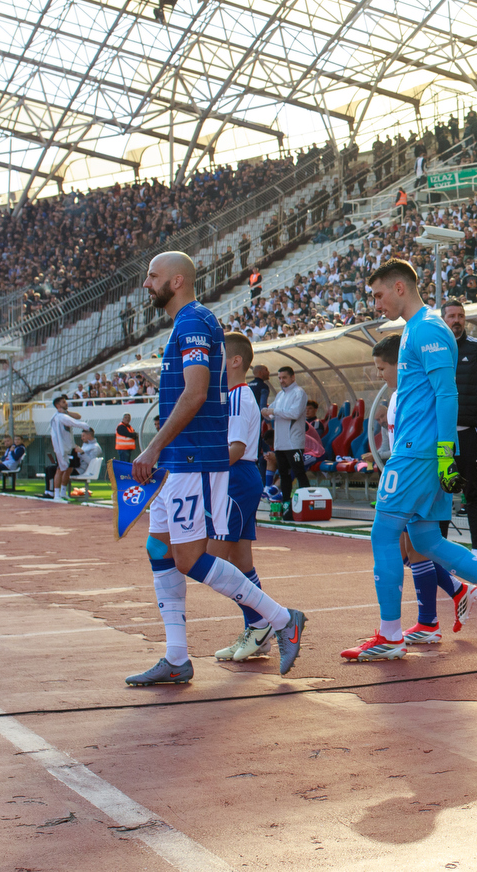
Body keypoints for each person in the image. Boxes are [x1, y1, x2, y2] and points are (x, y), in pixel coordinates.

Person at [126, 251, 307, 686]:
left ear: (177, 281)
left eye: (152, 276)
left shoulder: (192, 322)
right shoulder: (187, 323)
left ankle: (283, 619)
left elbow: (195, 393)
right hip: (177, 461)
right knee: (158, 549)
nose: (146, 284)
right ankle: (176, 657)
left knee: (190, 558)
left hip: (192, 460)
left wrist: (152, 448)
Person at [339, 263, 477, 663]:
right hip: (419, 451)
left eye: (379, 295)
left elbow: (447, 394)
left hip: (417, 453)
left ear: (399, 287)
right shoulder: (414, 329)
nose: (377, 304)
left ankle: (390, 635)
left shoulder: (427, 329)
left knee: (383, 534)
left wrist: (445, 454)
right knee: (426, 541)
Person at [210, 331, 273, 662]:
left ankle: (264, 622)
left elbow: (234, 449)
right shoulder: (236, 395)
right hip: (241, 477)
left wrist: (201, 469)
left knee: (208, 560)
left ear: (235, 361)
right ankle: (258, 628)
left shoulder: (237, 396)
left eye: (217, 354)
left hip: (235, 478)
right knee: (240, 561)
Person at [444, 299, 477, 538]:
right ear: (443, 320)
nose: (457, 320)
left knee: (473, 491)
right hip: (442, 435)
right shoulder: (434, 349)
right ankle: (440, 549)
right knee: (442, 493)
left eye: (461, 316)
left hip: (470, 433)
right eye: (452, 316)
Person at [263, 366, 309, 502]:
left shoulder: (299, 393)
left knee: (299, 472)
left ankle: (306, 502)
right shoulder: (280, 395)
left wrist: (273, 411)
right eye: (279, 378)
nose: (281, 380)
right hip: (280, 443)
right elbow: (271, 413)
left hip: (294, 443)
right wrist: (265, 411)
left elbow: (294, 413)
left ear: (292, 377)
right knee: (283, 474)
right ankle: (286, 503)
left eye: (284, 377)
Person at [44, 397, 90, 499]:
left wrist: (67, 412)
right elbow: (75, 422)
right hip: (62, 448)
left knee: (68, 469)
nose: (66, 403)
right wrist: (86, 426)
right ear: (58, 405)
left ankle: (63, 492)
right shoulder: (60, 417)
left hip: (70, 447)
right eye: (63, 402)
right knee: (60, 469)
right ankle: (56, 494)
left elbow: (78, 416)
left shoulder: (65, 414)